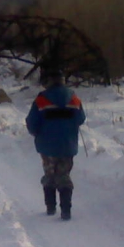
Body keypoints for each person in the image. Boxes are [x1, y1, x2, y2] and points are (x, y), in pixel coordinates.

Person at [25, 67, 85, 220]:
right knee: (64, 175)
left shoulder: (42, 98)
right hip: (68, 145)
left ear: (48, 82)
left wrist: (36, 133)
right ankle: (66, 210)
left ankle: (50, 207)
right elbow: (81, 118)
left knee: (49, 175)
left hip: (47, 146)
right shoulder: (73, 97)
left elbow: (32, 122)